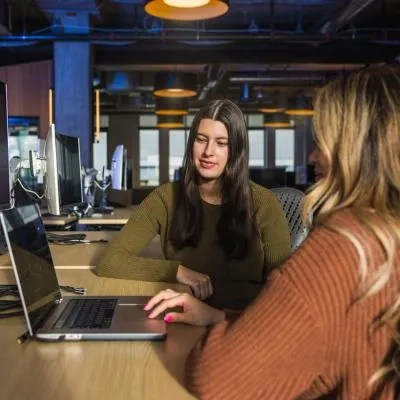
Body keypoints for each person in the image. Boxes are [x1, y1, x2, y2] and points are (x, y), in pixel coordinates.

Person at [144, 66, 400, 399]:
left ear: (352, 150)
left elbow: (217, 381)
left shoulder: (344, 247)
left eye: (322, 142)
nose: (312, 156)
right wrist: (220, 316)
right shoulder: (386, 234)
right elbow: (322, 332)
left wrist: (223, 333)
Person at [96, 99, 291, 311]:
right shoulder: (165, 197)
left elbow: (284, 293)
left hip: (241, 323)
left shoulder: (264, 204)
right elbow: (110, 261)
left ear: (236, 150)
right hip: (183, 318)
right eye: (201, 139)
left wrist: (215, 316)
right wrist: (177, 271)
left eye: (221, 143)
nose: (208, 151)